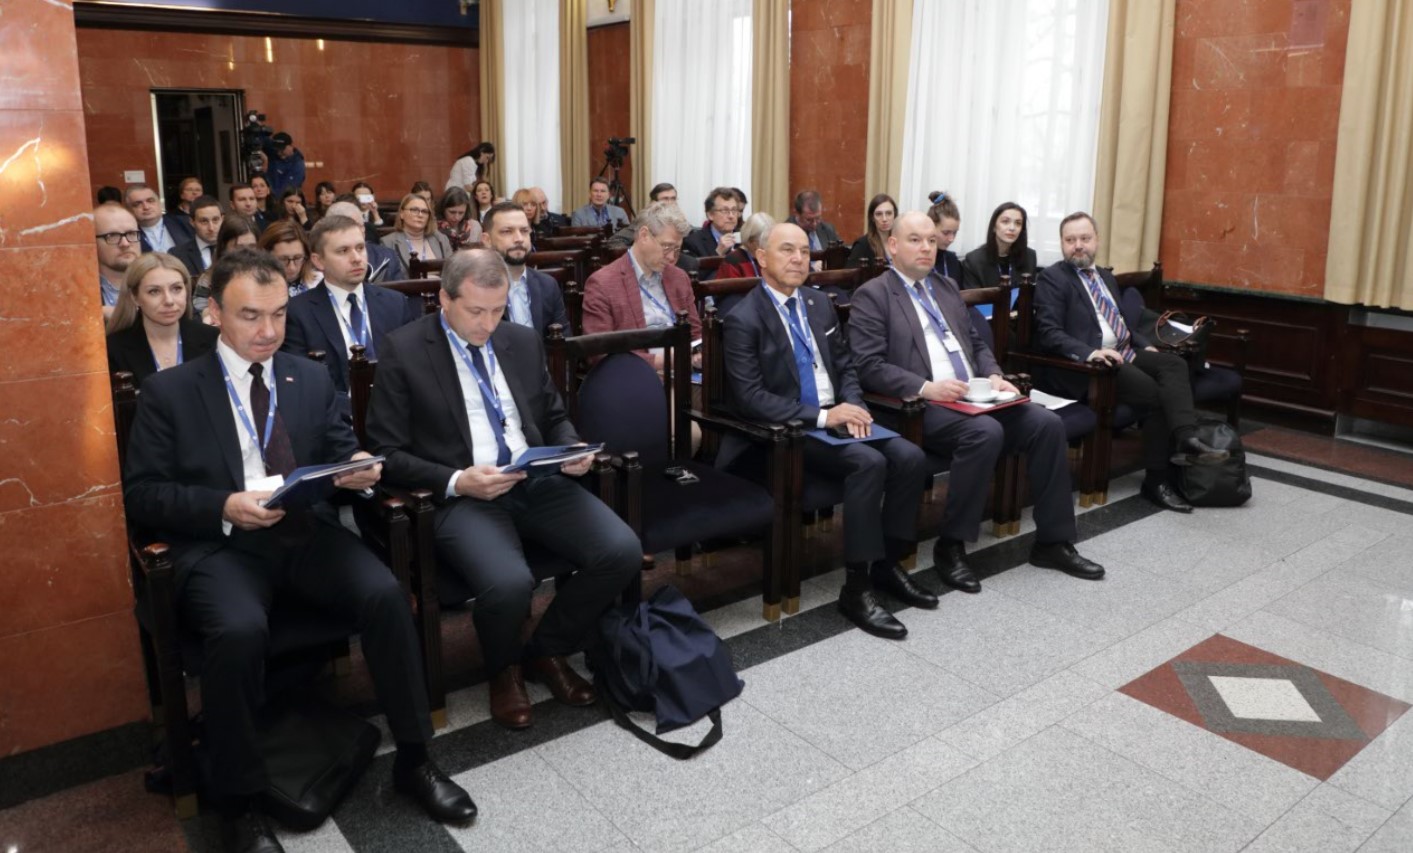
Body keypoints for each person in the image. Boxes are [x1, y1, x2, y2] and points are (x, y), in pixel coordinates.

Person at [122, 247, 476, 852]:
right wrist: (222, 505)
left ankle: (415, 758)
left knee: (386, 595)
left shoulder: (307, 377)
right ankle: (237, 803)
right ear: (214, 314)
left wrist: (356, 466)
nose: (268, 330)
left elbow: (339, 449)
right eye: (250, 316)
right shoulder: (170, 392)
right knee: (238, 631)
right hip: (222, 547)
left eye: (279, 314)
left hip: (302, 532)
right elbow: (144, 494)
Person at [365, 248, 642, 730]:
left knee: (621, 550)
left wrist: (570, 448)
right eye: (476, 311)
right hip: (464, 494)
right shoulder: (404, 349)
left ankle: (546, 650)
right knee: (510, 583)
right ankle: (503, 669)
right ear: (445, 299)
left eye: (497, 310)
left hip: (533, 478)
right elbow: (385, 452)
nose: (488, 324)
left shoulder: (520, 340)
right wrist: (456, 481)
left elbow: (552, 414)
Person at [850, 212, 1105, 591]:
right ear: (893, 245)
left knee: (1046, 424)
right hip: (919, 406)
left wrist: (995, 375)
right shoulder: (873, 294)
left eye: (931, 241)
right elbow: (868, 366)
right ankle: (951, 545)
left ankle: (1053, 542)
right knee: (984, 433)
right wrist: (926, 387)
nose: (926, 248)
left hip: (973, 396)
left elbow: (976, 342)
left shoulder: (946, 287)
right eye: (915, 240)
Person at [716, 222, 929, 640]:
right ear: (762, 257)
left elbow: (846, 366)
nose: (799, 259)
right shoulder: (742, 317)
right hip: (787, 431)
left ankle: (888, 565)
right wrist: (822, 417)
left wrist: (855, 406)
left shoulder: (818, 303)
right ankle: (857, 588)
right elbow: (750, 398)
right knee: (868, 464)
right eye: (787, 250)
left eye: (804, 251)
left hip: (835, 416)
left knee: (910, 457)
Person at [1033, 212, 1229, 513]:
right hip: (1090, 366)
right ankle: (1157, 480)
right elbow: (1049, 333)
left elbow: (1122, 323)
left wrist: (1143, 344)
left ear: (1097, 240)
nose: (1078, 245)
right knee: (1155, 394)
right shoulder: (1052, 278)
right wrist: (1090, 353)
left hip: (1125, 351)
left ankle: (1187, 438)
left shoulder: (1106, 277)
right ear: (1061, 243)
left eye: (1084, 238)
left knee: (1174, 365)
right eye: (1070, 240)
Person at [284, 215, 421, 396]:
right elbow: (302, 385)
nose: (357, 258)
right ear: (318, 261)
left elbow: (413, 368)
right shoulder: (297, 312)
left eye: (360, 248)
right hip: (337, 410)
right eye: (343, 251)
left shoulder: (395, 303)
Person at [583, 203, 701, 369]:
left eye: (677, 249)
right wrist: (662, 361)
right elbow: (598, 352)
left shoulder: (678, 277)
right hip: (635, 375)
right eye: (667, 247)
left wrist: (700, 353)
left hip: (684, 373)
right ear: (644, 235)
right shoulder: (603, 283)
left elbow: (696, 333)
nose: (671, 257)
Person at [105, 251, 219, 387]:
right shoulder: (113, 349)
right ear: (134, 298)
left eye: (176, 289)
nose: (169, 300)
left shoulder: (214, 339)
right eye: (154, 291)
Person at [480, 202, 568, 337]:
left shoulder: (548, 285)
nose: (519, 239)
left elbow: (563, 341)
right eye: (507, 231)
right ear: (487, 240)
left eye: (524, 231)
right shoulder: (475, 288)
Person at [193, 214, 260, 320]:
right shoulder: (209, 278)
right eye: (239, 247)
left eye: (252, 247)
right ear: (224, 247)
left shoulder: (267, 275)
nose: (246, 253)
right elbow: (198, 311)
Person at [325, 200, 405, 283]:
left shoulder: (387, 256)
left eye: (358, 226)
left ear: (363, 228)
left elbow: (399, 289)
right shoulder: (324, 257)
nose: (353, 232)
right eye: (345, 228)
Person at [961, 201, 1036, 289]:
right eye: (1005, 221)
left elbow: (1030, 294)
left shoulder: (1029, 256)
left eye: (1018, 223)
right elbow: (973, 296)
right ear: (994, 226)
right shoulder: (974, 260)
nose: (1012, 228)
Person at [380, 193, 454, 274]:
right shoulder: (388, 243)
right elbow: (385, 277)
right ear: (402, 214)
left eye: (424, 211)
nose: (420, 215)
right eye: (414, 210)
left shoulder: (441, 239)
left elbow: (453, 272)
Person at [95, 203, 141, 318]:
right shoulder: (77, 293)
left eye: (131, 233)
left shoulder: (162, 282)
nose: (125, 243)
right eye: (112, 236)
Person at [126, 183, 194, 253]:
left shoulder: (186, 223)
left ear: (159, 203)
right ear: (129, 210)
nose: (146, 207)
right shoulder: (126, 234)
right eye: (137, 204)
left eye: (150, 201)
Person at [258, 219, 320, 296]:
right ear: (265, 256)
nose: (292, 268)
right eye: (283, 259)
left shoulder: (320, 283)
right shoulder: (254, 288)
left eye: (297, 258)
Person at [171, 195, 224, 277]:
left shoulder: (235, 249)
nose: (211, 228)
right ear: (192, 222)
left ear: (222, 219)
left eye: (215, 220)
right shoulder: (177, 254)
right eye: (204, 221)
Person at [682, 187, 742, 259]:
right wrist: (718, 252)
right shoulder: (693, 242)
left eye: (734, 210)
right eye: (725, 211)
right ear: (710, 215)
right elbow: (696, 266)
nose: (731, 216)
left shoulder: (745, 239)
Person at [846, 193, 897, 268]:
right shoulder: (862, 245)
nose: (884, 219)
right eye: (879, 214)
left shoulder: (901, 242)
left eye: (889, 213)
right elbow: (850, 273)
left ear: (895, 215)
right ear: (872, 217)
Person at [718, 212, 775, 280]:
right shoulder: (734, 261)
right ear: (750, 241)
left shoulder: (771, 257)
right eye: (764, 242)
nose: (768, 246)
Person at [928, 191, 964, 284]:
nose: (951, 239)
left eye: (955, 233)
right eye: (946, 233)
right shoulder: (918, 258)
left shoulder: (953, 261)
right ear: (931, 226)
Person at [437, 186, 482, 250]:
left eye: (461, 213)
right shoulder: (434, 229)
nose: (456, 217)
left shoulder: (474, 227)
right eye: (452, 212)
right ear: (443, 209)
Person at [265, 131, 306, 197]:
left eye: (282, 149)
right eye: (277, 150)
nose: (279, 152)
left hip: (283, 200)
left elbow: (287, 191)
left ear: (291, 146)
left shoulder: (297, 165)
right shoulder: (273, 154)